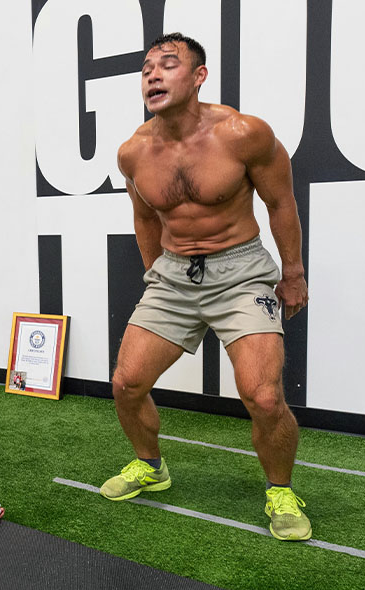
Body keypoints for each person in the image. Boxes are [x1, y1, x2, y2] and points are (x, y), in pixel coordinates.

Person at [105, 32, 310, 542]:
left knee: (262, 396)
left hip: (241, 273)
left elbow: (281, 204)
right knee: (126, 384)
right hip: (174, 274)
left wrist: (294, 275)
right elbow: (144, 218)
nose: (153, 74)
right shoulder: (133, 152)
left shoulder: (244, 133)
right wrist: (155, 274)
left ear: (198, 76)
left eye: (168, 64)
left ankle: (280, 490)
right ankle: (151, 466)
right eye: (147, 67)